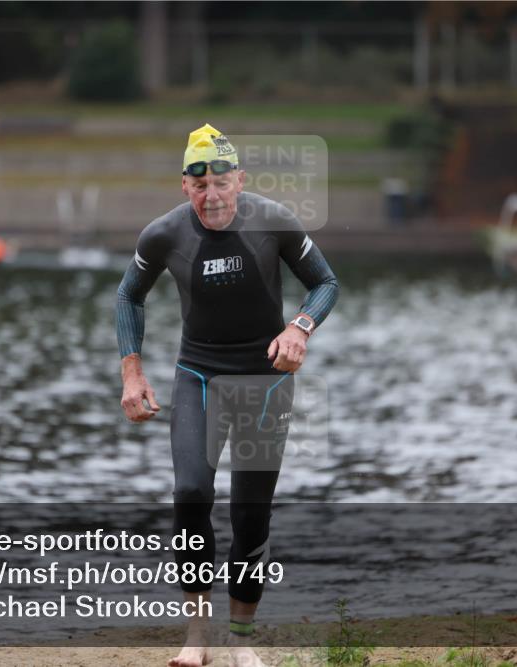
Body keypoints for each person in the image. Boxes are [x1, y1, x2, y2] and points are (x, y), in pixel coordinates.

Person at [116, 124, 339, 667]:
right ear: (184, 186)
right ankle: (197, 636)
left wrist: (300, 328)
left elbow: (326, 282)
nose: (211, 196)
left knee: (250, 512)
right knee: (191, 492)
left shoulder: (274, 221)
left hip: (266, 379)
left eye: (221, 181)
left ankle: (241, 640)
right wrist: (132, 373)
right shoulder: (163, 235)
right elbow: (129, 296)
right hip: (198, 374)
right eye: (199, 185)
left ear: (240, 179)